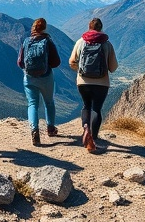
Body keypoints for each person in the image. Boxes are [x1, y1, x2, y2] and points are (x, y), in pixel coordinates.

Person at [69, 17, 118, 153]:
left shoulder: (80, 42)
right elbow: (113, 67)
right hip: (102, 83)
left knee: (86, 105)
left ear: (89, 27)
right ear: (101, 28)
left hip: (83, 82)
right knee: (96, 108)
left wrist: (80, 71)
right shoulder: (107, 44)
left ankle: (86, 127)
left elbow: (72, 61)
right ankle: (93, 137)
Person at [17, 18, 61, 146]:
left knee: (32, 104)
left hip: (29, 78)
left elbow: (20, 62)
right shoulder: (47, 41)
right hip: (46, 77)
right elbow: (56, 62)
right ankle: (50, 128)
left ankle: (34, 131)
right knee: (49, 102)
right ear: (44, 28)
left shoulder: (26, 41)